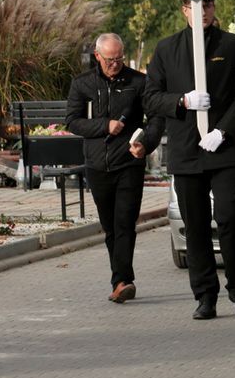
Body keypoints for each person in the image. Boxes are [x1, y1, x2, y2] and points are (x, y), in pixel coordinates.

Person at [145, 0, 235, 319]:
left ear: (214, 7)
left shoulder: (233, 46)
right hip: (186, 150)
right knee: (194, 226)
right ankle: (205, 295)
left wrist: (223, 130)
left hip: (222, 148)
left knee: (228, 218)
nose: (202, 12)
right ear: (184, 10)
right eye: (195, 7)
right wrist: (181, 102)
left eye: (207, 5)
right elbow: (151, 97)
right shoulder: (167, 49)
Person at [66, 33, 164, 304]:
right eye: (110, 60)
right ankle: (118, 277)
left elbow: (156, 118)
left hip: (129, 163)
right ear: (98, 56)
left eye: (119, 58)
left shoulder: (139, 82)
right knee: (110, 226)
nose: (115, 64)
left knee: (125, 222)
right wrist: (104, 125)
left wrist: (145, 143)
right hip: (97, 164)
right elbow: (72, 122)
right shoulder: (82, 84)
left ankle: (123, 280)